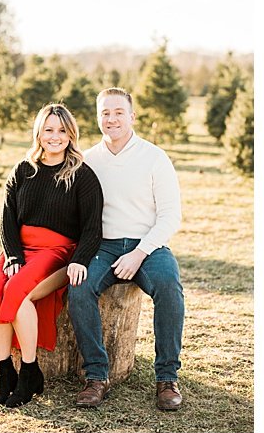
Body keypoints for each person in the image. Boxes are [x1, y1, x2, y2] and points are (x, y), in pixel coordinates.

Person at [0, 103, 103, 407]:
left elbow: (92, 227)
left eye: (62, 130)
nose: (55, 136)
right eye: (49, 130)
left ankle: (30, 371)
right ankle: (5, 372)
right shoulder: (23, 170)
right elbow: (6, 219)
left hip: (56, 251)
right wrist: (13, 256)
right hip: (19, 250)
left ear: (71, 135)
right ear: (39, 133)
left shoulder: (82, 176)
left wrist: (80, 259)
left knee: (18, 292)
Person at [69, 87, 185, 411]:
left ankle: (166, 378)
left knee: (169, 287)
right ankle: (96, 376)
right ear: (98, 118)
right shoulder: (88, 160)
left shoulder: (154, 157)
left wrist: (139, 253)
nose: (112, 118)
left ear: (132, 116)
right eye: (105, 112)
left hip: (148, 245)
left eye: (119, 112)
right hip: (102, 246)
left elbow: (170, 215)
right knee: (79, 289)